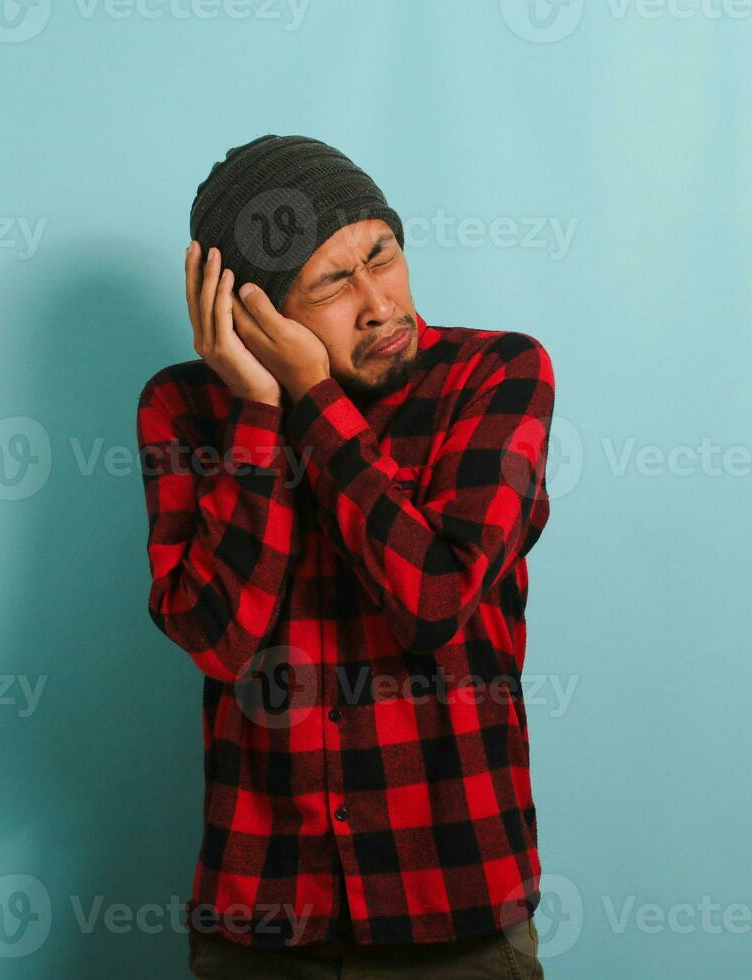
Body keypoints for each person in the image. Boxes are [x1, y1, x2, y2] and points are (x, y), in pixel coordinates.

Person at [136, 134, 555, 978]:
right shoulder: (182, 406)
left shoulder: (497, 373)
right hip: (260, 919)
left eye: (382, 255)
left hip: (455, 908)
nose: (379, 303)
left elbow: (434, 601)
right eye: (331, 283)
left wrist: (315, 399)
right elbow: (217, 638)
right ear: (255, 311)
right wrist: (261, 404)